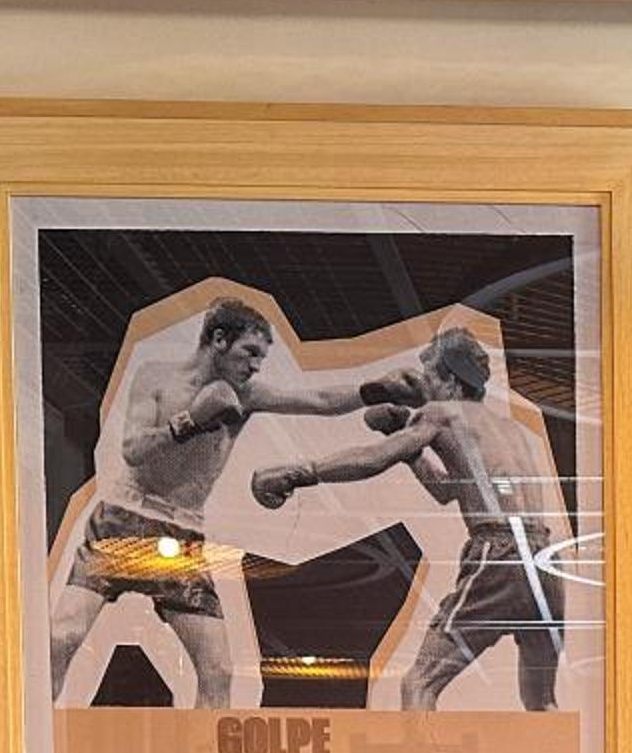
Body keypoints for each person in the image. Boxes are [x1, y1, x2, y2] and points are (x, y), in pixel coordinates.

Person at [50, 297, 423, 707]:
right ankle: (36, 731)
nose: (256, 366)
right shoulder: (156, 376)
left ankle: (206, 750)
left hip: (182, 536)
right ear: (218, 340)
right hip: (124, 520)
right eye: (250, 352)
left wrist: (376, 389)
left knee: (219, 670)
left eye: (261, 357)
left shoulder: (247, 395)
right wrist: (190, 421)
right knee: (61, 636)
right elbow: (133, 450)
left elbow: (317, 400)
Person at [248, 330, 569, 713]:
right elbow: (446, 491)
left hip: (499, 555)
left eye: (429, 373)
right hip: (545, 561)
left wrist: (300, 472)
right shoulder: (509, 429)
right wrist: (408, 440)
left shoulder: (442, 413)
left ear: (451, 380)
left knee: (419, 683)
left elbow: (373, 459)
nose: (422, 383)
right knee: (541, 700)